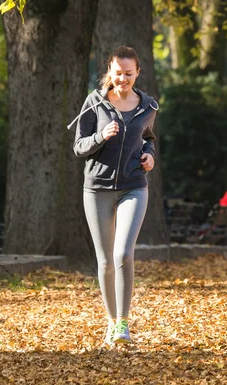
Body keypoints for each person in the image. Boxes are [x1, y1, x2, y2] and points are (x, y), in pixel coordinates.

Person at [71, 46, 158, 345]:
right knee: (106, 261)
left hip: (134, 185)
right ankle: (110, 322)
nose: (123, 79)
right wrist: (100, 136)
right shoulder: (94, 103)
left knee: (123, 254)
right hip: (97, 189)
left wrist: (149, 156)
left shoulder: (147, 106)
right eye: (118, 73)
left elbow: (147, 138)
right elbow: (79, 147)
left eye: (129, 74)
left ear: (138, 73)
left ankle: (123, 324)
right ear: (110, 71)